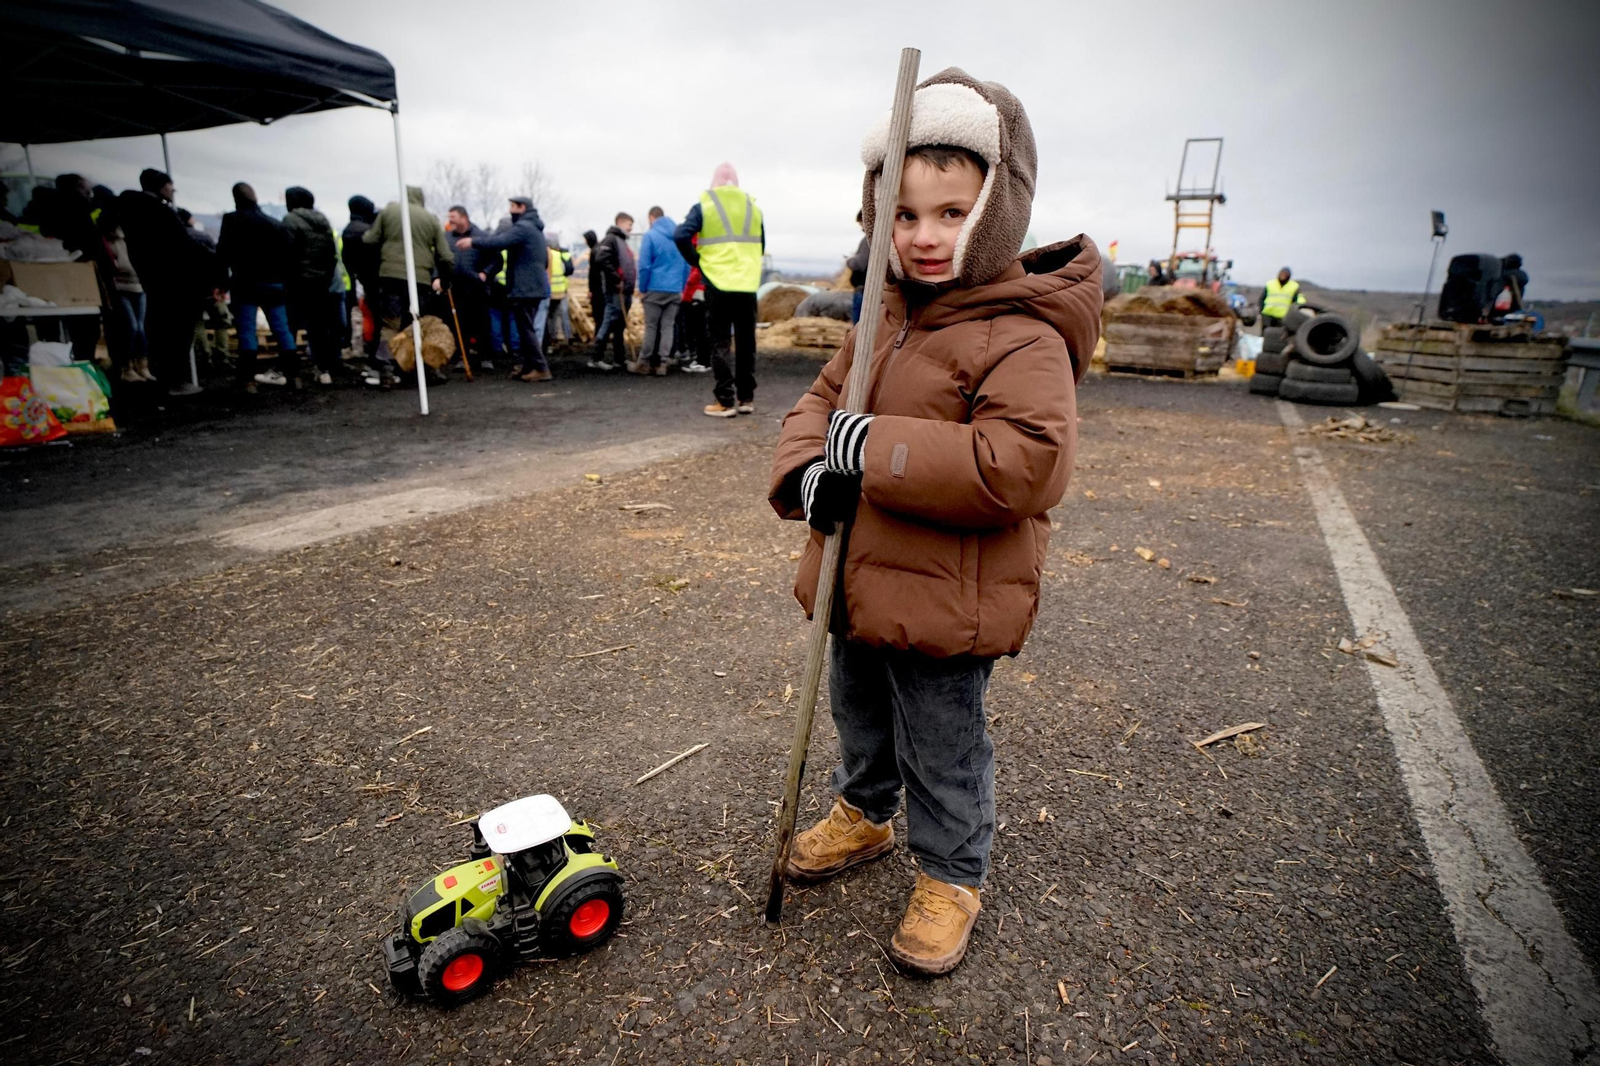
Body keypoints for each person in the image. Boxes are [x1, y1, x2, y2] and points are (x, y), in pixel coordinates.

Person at [768, 69, 1101, 976]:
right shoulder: (879, 316)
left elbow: (1022, 464)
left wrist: (869, 451)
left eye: (951, 213)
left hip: (950, 602)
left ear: (998, 209)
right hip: (860, 576)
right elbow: (817, 407)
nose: (923, 236)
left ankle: (952, 872)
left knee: (942, 740)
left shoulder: (1023, 334)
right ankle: (864, 814)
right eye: (904, 213)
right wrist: (809, 475)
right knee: (859, 712)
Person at [674, 162, 765, 417]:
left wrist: (698, 261)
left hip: (717, 281)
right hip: (747, 283)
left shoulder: (705, 204)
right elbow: (760, 243)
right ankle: (746, 398)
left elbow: (681, 235)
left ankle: (725, 401)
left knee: (720, 341)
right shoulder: (752, 207)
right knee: (747, 342)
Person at [117, 169, 217, 392]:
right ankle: (176, 381)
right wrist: (213, 259)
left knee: (158, 329)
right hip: (175, 281)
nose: (173, 190)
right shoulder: (161, 212)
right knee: (178, 333)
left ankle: (163, 377)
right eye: (171, 185)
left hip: (151, 279)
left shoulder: (130, 211)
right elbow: (183, 244)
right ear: (161, 186)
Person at [363, 185, 454, 384]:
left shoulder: (389, 212)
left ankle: (386, 367)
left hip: (390, 277)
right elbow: (445, 256)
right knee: (418, 323)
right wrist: (445, 280)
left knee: (390, 324)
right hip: (420, 278)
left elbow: (370, 240)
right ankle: (424, 369)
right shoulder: (430, 219)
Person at [457, 196, 551, 382]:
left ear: (521, 208)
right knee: (526, 328)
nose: (509, 210)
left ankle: (541, 368)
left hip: (525, 287)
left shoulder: (523, 228)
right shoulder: (535, 229)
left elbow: (499, 241)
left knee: (526, 329)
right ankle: (527, 366)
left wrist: (473, 242)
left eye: (512, 206)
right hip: (532, 286)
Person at [217, 182, 300, 390]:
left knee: (247, 332)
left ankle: (248, 380)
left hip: (245, 284)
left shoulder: (232, 220)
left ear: (236, 199)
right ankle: (294, 376)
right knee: (282, 331)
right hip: (273, 285)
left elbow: (223, 253)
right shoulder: (274, 224)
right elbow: (289, 255)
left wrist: (220, 283)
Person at [40, 173, 114, 364]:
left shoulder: (55, 209)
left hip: (72, 273)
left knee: (79, 325)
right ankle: (85, 362)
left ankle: (80, 360)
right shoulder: (76, 209)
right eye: (84, 187)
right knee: (85, 325)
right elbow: (89, 242)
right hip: (81, 273)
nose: (88, 191)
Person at [282, 186, 342, 385]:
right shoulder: (323, 222)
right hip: (321, 284)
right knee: (318, 328)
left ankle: (290, 371)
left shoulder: (290, 221)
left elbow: (286, 254)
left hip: (297, 283)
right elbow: (331, 255)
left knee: (289, 326)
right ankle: (323, 369)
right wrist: (324, 278)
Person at [440, 205, 501, 373]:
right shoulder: (446, 238)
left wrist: (485, 273)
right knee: (459, 323)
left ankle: (485, 357)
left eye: (452, 216)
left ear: (463, 217)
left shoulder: (481, 237)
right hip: (456, 287)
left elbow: (497, 260)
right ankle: (462, 356)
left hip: (477, 287)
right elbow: (438, 259)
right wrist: (437, 278)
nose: (449, 220)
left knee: (482, 322)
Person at [98, 197, 151, 384]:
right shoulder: (107, 236)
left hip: (137, 284)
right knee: (132, 327)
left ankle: (141, 366)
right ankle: (128, 367)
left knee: (139, 328)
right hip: (119, 285)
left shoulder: (132, 234)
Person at [633, 206, 690, 375]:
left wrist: (642, 288)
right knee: (668, 326)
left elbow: (644, 265)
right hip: (674, 289)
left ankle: (644, 361)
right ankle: (663, 363)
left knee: (651, 326)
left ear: (651, 218)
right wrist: (681, 286)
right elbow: (687, 264)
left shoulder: (650, 236)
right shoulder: (679, 237)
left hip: (654, 287)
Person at [341, 196, 383, 382]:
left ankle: (373, 361)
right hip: (376, 282)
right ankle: (377, 363)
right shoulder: (367, 232)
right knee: (381, 324)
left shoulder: (350, 230)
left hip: (364, 282)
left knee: (371, 322)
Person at [589, 213, 636, 370]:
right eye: (629, 224)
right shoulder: (611, 239)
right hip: (616, 290)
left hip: (624, 290)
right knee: (609, 321)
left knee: (619, 325)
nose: (631, 228)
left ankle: (619, 358)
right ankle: (596, 357)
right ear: (620, 222)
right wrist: (616, 278)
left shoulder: (621, 241)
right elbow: (602, 258)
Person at [545, 232, 574, 348]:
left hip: (549, 291)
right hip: (561, 290)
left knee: (550, 316)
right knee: (563, 314)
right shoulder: (563, 253)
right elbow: (569, 270)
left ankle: (551, 339)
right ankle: (567, 336)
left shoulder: (547, 255)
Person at [1258, 265, 1304, 330]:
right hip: (1267, 315)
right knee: (1266, 334)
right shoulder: (1270, 284)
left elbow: (1297, 301)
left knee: (1278, 336)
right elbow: (1262, 298)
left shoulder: (1294, 286)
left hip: (1282, 317)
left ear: (1289, 276)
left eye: (1286, 274)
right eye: (1282, 273)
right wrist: (1261, 310)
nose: (1283, 275)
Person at [846, 210, 870, 324]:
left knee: (859, 327)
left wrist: (849, 260)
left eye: (861, 224)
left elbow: (860, 264)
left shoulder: (867, 240)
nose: (861, 228)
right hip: (866, 290)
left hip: (863, 291)